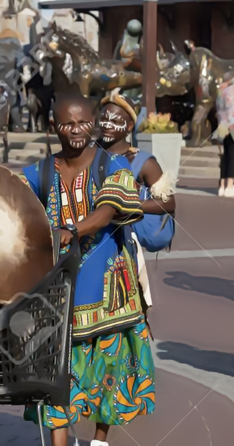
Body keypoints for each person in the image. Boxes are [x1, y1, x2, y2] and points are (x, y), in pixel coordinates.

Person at [22, 93, 153, 446]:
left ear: (92, 125)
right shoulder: (41, 172)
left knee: (106, 369)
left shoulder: (113, 165)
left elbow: (109, 211)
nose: (76, 131)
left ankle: (98, 444)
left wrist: (71, 231)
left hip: (108, 292)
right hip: (57, 291)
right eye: (68, 123)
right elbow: (14, 199)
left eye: (83, 123)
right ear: (53, 127)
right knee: (55, 368)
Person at [99, 89, 176, 310]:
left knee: (125, 304)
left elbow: (168, 202)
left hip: (123, 245)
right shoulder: (89, 153)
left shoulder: (144, 162)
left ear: (130, 126)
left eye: (116, 120)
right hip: (89, 241)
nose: (108, 123)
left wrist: (129, 206)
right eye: (104, 118)